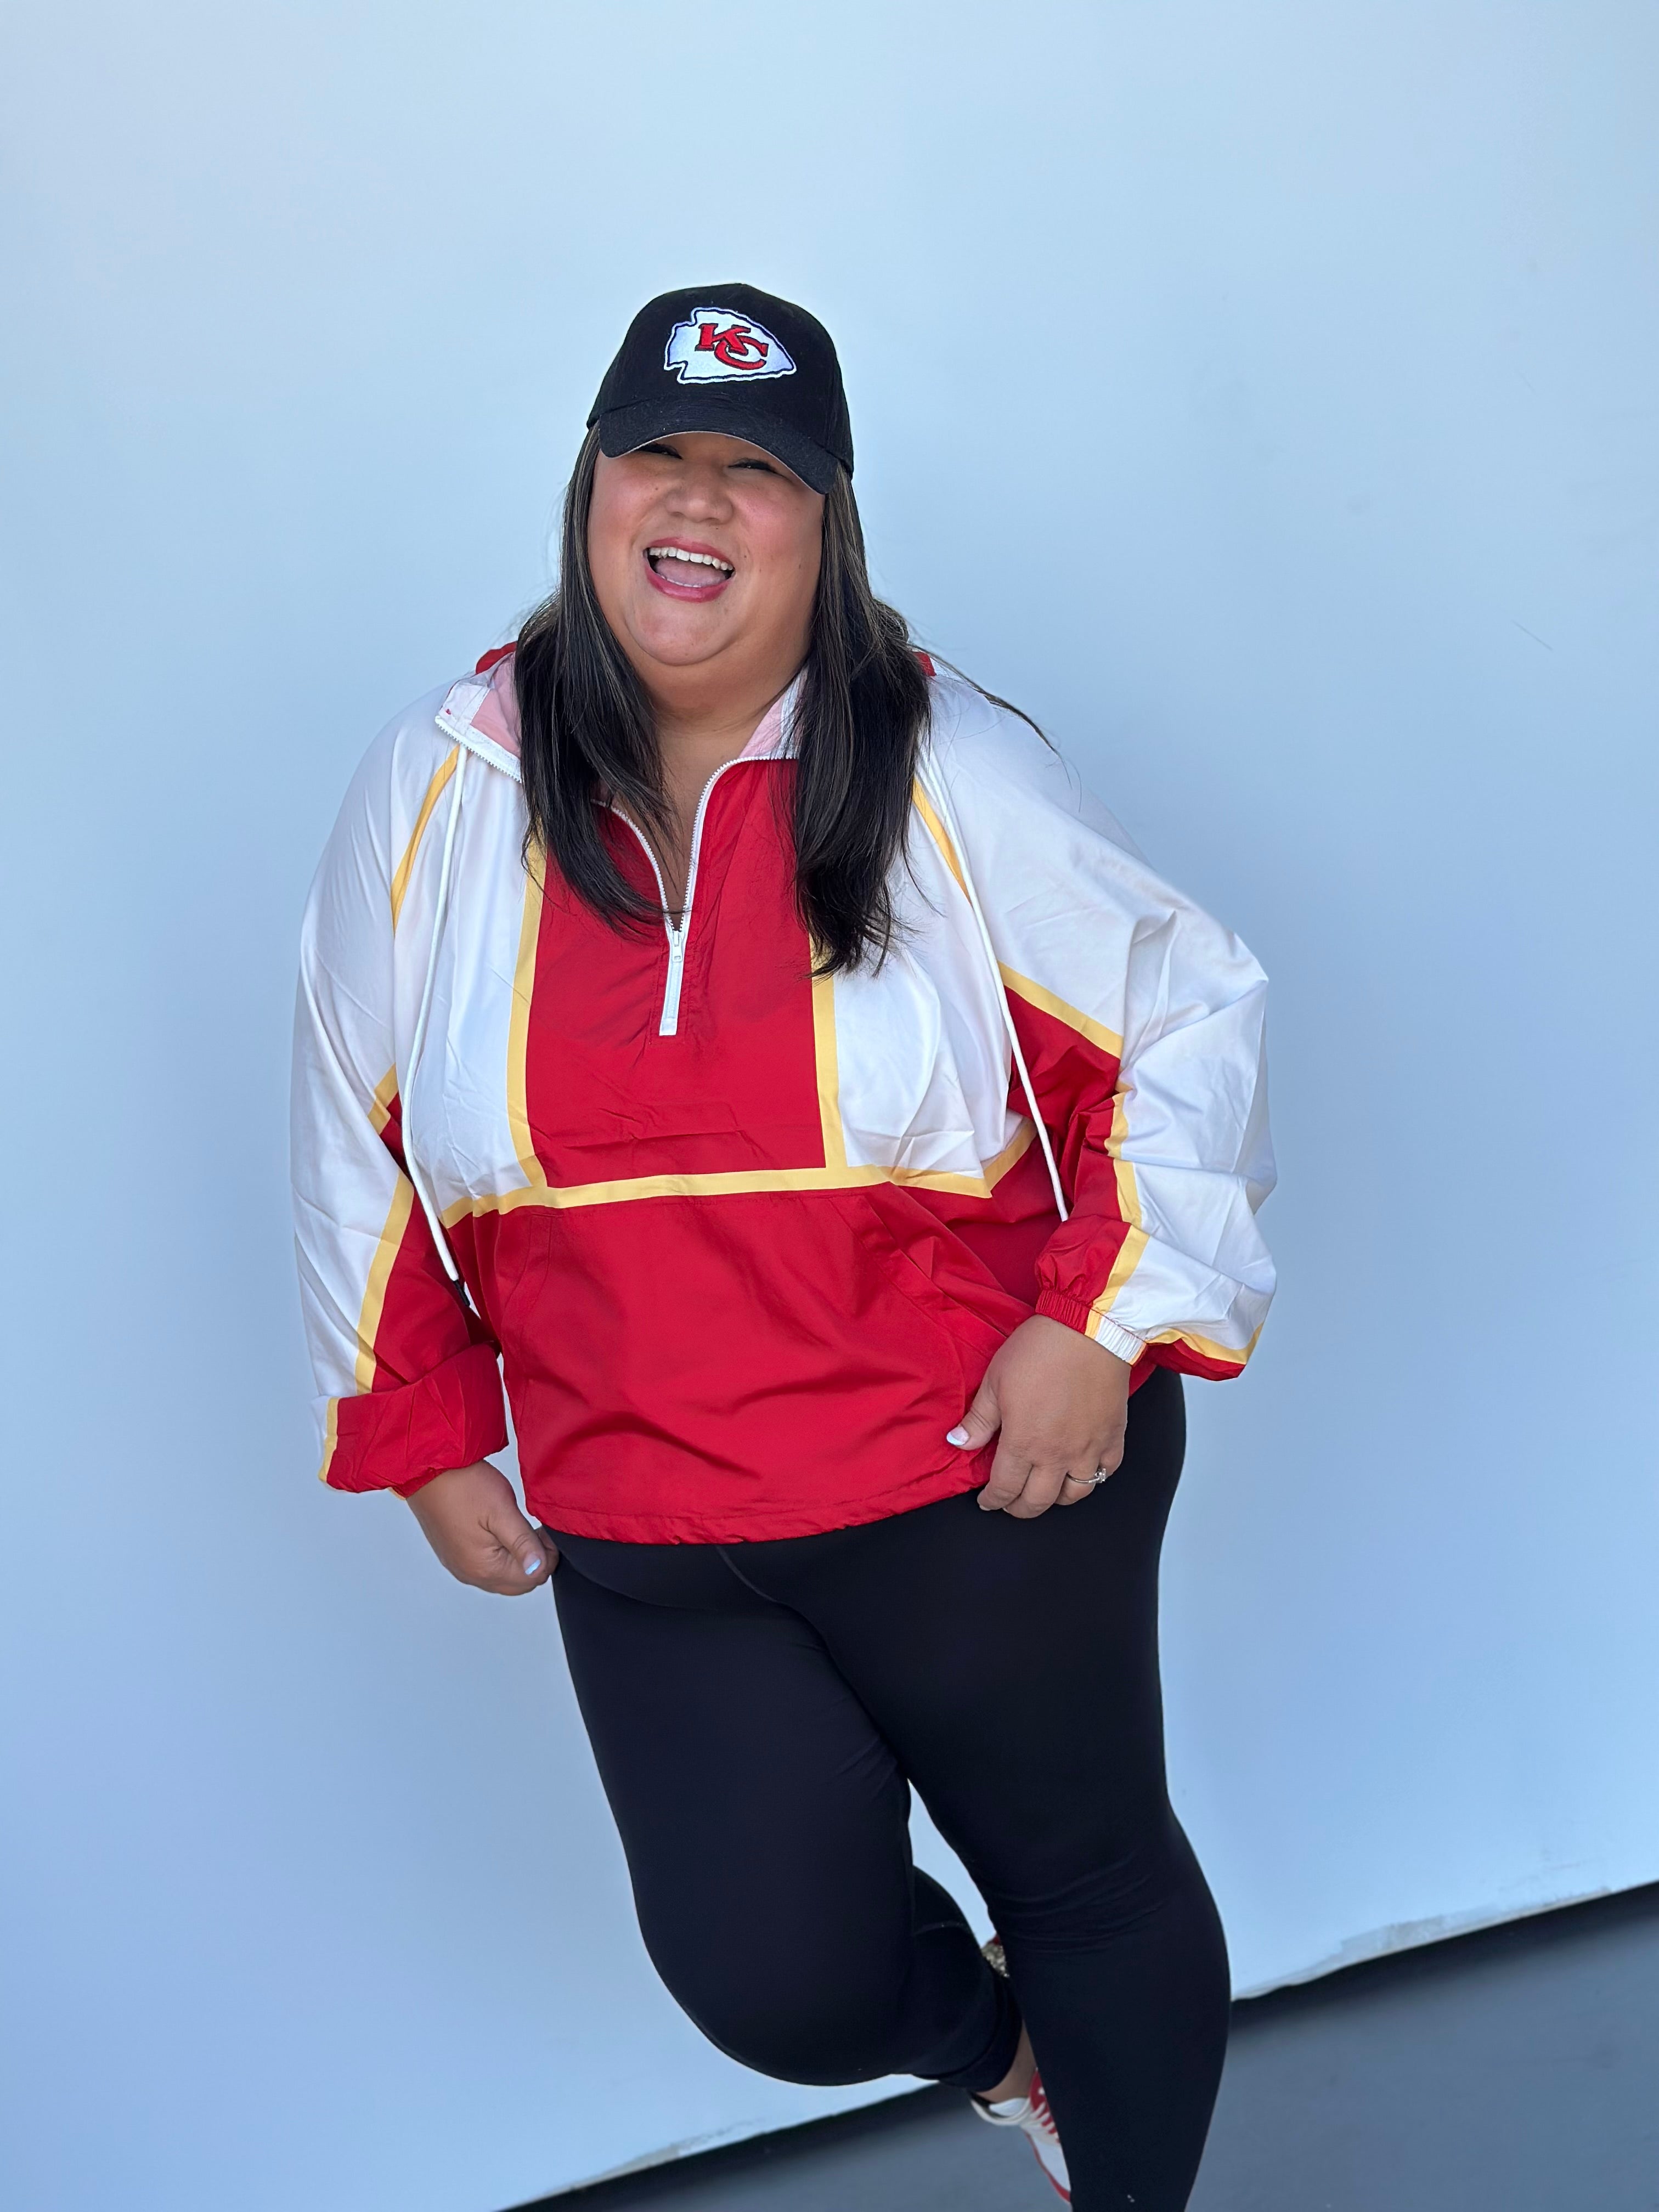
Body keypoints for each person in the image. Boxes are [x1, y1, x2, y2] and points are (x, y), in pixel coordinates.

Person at [291, 283, 1276, 2211]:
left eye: (758, 471)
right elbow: (354, 1110)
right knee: (776, 1981)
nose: (698, 501)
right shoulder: (444, 779)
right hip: (646, 1514)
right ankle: (1010, 2060)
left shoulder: (943, 759)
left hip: (979, 1482)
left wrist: (1103, 1324)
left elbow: (1188, 1013)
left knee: (1086, 1882)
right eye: (658, 453)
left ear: (826, 524)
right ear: (591, 485)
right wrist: (415, 1428)